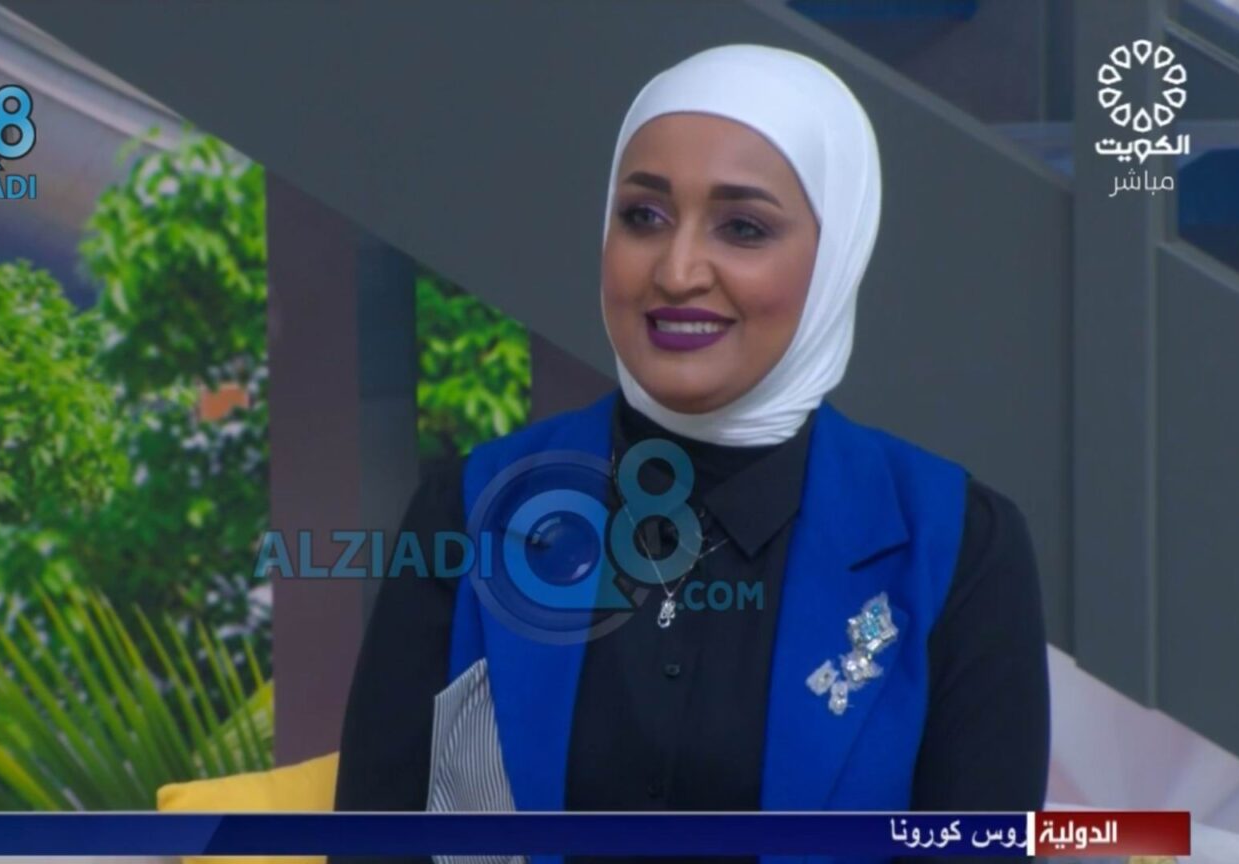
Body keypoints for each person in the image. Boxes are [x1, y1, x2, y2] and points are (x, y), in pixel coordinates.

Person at [333, 44, 1050, 864]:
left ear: (836, 254)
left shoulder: (958, 546)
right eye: (644, 217)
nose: (677, 272)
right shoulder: (474, 507)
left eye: (743, 228)